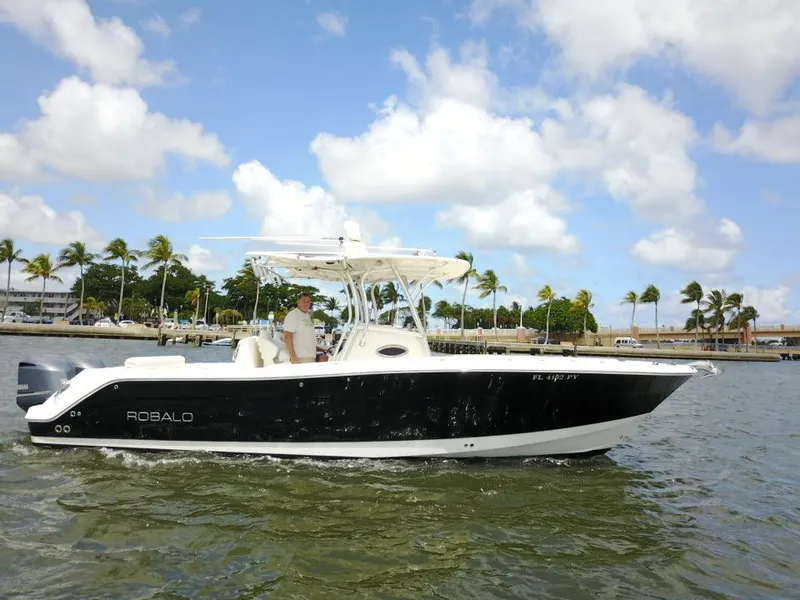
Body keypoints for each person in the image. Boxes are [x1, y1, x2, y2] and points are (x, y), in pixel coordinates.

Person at [283, 293, 329, 363]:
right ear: (298, 301)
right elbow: (287, 337)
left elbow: (308, 340)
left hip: (310, 357)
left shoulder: (306, 315)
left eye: (308, 301)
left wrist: (323, 350)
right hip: (300, 358)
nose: (306, 303)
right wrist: (293, 357)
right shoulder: (293, 315)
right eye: (303, 301)